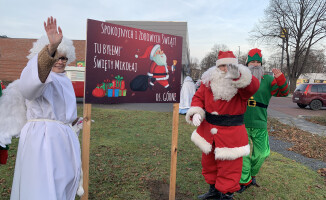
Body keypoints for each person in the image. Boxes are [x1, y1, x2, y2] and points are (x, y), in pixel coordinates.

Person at [7, 16, 82, 200]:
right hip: (43, 139)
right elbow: (30, 87)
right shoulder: (39, 75)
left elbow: (65, 110)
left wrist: (73, 123)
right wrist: (50, 48)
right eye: (56, 56)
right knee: (42, 186)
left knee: (61, 183)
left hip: (62, 140)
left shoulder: (65, 80)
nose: (61, 61)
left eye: (64, 57)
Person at [186, 51, 259, 200]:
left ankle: (226, 196)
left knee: (230, 168)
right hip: (209, 132)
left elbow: (252, 88)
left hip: (231, 133)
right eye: (222, 65)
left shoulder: (241, 81)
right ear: (217, 67)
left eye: (228, 65)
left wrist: (236, 74)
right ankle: (213, 192)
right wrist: (196, 112)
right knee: (209, 164)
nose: (225, 68)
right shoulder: (209, 80)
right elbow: (199, 97)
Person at [238, 48, 289, 193]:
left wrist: (280, 78)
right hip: (242, 122)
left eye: (257, 62)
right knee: (243, 154)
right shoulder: (241, 78)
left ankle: (252, 174)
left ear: (261, 64)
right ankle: (245, 180)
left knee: (262, 153)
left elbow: (284, 92)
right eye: (252, 61)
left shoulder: (268, 80)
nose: (255, 64)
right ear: (247, 63)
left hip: (260, 122)